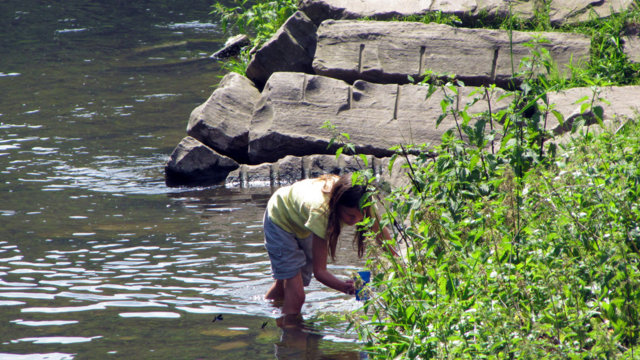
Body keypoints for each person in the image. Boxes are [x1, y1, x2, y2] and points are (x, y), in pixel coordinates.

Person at [263, 173, 394, 321]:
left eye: (361, 216)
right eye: (350, 216)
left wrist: (398, 264)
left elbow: (380, 234)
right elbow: (319, 272)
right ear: (337, 205)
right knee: (297, 297)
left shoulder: (363, 201)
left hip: (301, 219)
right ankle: (292, 335)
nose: (357, 220)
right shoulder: (321, 212)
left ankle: (265, 315)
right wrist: (345, 287)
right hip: (280, 218)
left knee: (286, 283)